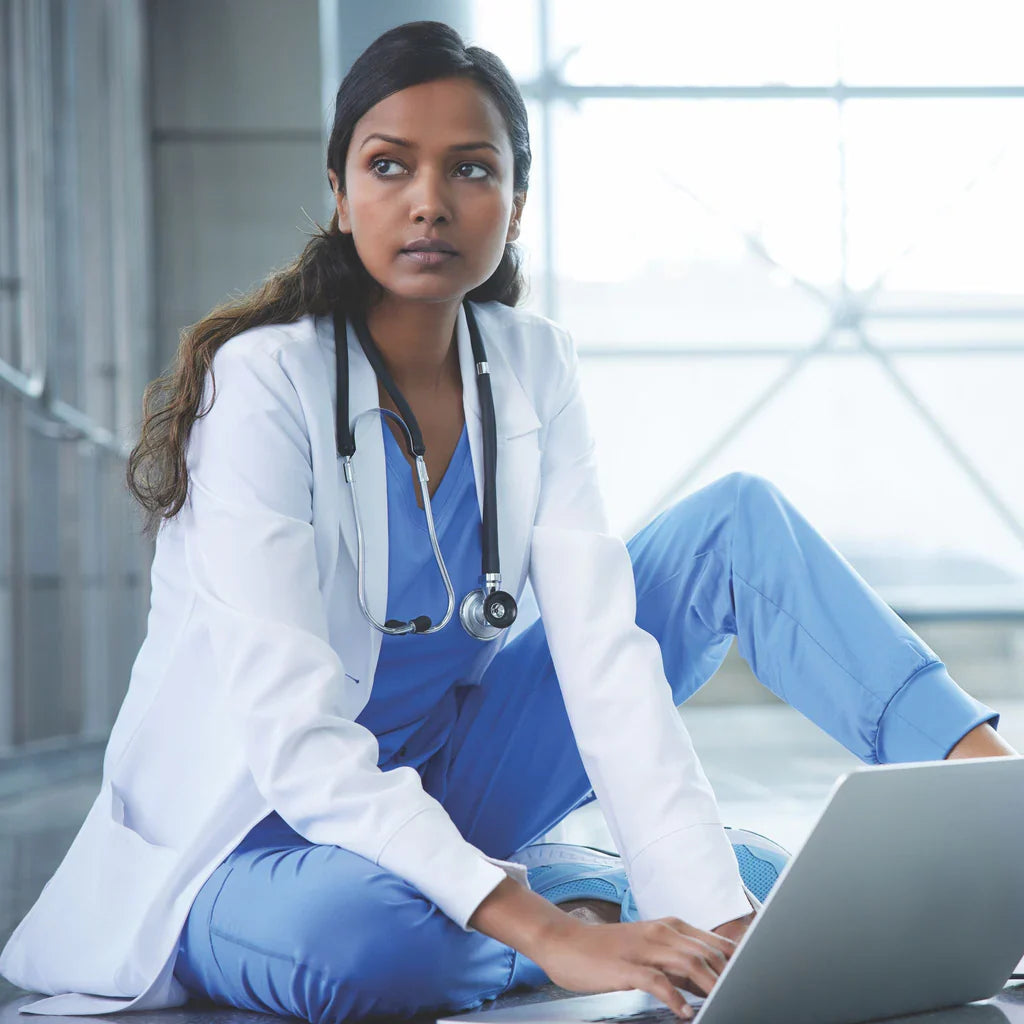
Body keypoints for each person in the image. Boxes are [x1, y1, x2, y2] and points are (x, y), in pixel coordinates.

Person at [2, 18, 1015, 1024]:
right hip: (256, 832)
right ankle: (571, 903)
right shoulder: (263, 380)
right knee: (372, 948)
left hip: (448, 784)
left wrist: (710, 908)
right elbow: (297, 739)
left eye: (471, 171)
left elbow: (603, 659)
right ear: (340, 192)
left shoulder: (529, 365)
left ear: (517, 203)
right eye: (389, 166)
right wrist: (553, 931)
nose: (428, 202)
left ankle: (1001, 825)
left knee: (734, 539)